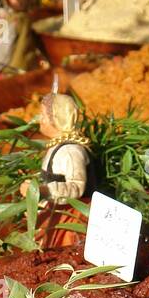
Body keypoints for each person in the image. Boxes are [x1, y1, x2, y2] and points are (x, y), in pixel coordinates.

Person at [20, 92, 93, 245]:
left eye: (43, 115)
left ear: (57, 119)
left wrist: (43, 191)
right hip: (56, 209)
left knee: (61, 249)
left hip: (70, 217)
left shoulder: (71, 152)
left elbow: (76, 187)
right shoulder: (57, 146)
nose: (40, 119)